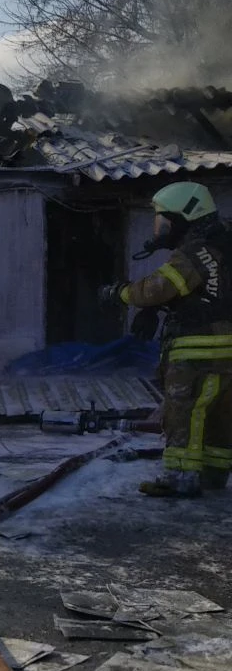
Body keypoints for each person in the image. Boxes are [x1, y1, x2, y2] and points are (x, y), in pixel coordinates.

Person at [101, 181, 232, 497]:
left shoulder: (193, 253)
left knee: (183, 412)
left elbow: (158, 287)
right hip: (224, 348)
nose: (160, 228)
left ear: (185, 217)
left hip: (197, 350)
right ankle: (213, 474)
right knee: (218, 414)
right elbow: (206, 296)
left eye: (164, 220)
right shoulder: (222, 247)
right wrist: (157, 310)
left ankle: (180, 478)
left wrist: (119, 293)